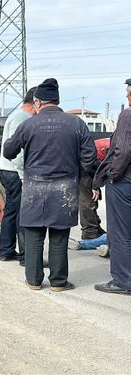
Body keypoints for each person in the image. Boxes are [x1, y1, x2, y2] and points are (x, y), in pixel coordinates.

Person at [4, 78, 96, 292]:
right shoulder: (76, 124)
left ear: (37, 102)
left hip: (34, 188)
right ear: (57, 100)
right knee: (59, 234)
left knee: (34, 234)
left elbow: (9, 151)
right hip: (65, 188)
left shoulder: (28, 124)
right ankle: (58, 282)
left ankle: (34, 281)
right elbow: (90, 157)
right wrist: (81, 176)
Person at [92, 78, 131, 295]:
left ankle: (123, 280)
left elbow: (123, 151)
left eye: (128, 90)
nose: (126, 94)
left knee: (121, 232)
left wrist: (114, 175)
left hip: (124, 182)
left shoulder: (128, 115)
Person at [0, 87, 37, 265]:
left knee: (12, 211)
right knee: (22, 213)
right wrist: (23, 175)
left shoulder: (17, 115)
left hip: (9, 170)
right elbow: (18, 151)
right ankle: (25, 255)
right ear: (35, 102)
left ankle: (6, 250)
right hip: (15, 171)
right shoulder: (22, 118)